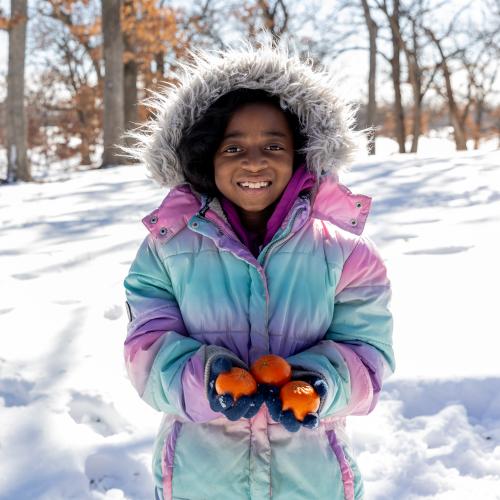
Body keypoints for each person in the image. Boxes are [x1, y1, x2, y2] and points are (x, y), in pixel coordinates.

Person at [123, 44, 395, 500]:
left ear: (302, 155)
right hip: (199, 480)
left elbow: (368, 354)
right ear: (206, 156)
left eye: (273, 145)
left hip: (312, 481)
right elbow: (147, 352)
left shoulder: (347, 254)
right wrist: (208, 381)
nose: (253, 161)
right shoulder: (166, 250)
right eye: (233, 146)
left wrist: (319, 383)